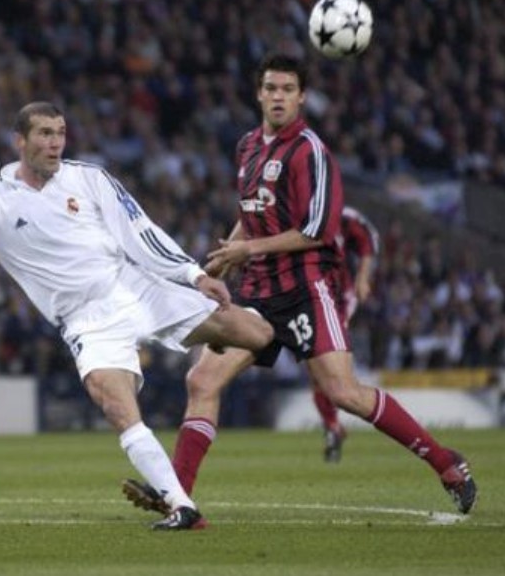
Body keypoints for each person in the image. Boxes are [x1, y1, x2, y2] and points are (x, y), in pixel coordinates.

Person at [0, 101, 276, 531]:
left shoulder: (89, 178)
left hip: (134, 286)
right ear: (20, 142)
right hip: (86, 321)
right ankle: (181, 505)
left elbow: (141, 231)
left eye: (60, 133)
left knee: (259, 334)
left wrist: (193, 275)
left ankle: (285, 321)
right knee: (115, 404)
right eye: (44, 134)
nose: (55, 143)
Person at [121, 54, 477, 517]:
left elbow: (317, 231)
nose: (278, 97)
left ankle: (446, 464)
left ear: (302, 97)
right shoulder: (248, 146)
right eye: (271, 88)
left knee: (343, 393)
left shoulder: (311, 152)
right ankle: (178, 498)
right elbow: (251, 213)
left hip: (306, 290)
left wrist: (247, 250)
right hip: (256, 293)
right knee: (202, 379)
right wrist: (225, 257)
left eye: (288, 89)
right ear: (258, 94)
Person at [314, 204, 380, 462]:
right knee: (316, 372)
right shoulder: (292, 211)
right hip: (305, 300)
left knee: (327, 368)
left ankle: (334, 425)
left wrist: (363, 277)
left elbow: (369, 238)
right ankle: (332, 425)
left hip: (338, 299)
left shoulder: (342, 216)